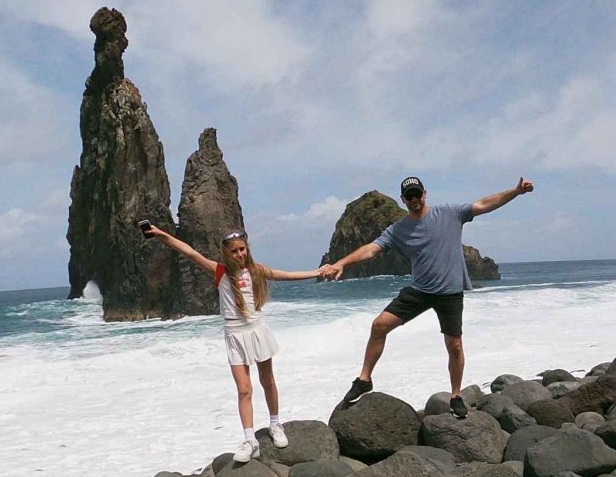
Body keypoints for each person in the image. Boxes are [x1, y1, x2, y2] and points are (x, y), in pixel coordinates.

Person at [321, 175, 534, 417]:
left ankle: (455, 395)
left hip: (450, 293)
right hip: (420, 291)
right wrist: (341, 263)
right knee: (379, 325)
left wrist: (515, 192)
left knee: (454, 346)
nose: (414, 199)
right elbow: (372, 249)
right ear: (403, 200)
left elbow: (484, 204)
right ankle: (364, 379)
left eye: (417, 194)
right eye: (409, 196)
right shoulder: (398, 230)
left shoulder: (449, 214)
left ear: (425, 194)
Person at [145, 225, 322, 462]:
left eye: (242, 249)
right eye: (235, 251)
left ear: (247, 249)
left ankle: (275, 424)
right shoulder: (220, 272)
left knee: (267, 381)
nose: (239, 254)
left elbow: (286, 275)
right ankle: (250, 439)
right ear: (226, 253)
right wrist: (162, 235)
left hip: (257, 329)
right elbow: (190, 253)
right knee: (243, 389)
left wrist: (318, 272)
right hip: (234, 333)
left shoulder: (256, 271)